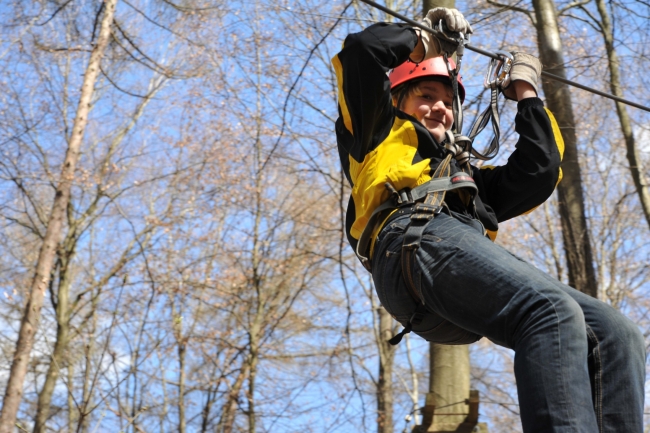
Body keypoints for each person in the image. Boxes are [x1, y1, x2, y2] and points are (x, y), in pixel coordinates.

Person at [331, 7, 645, 433]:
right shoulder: (376, 132)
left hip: (453, 255)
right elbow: (363, 51)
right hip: (410, 240)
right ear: (396, 100)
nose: (440, 108)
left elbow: (539, 172)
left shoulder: (469, 181)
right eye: (425, 96)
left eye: (447, 102)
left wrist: (527, 92)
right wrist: (425, 40)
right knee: (549, 311)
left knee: (615, 333)